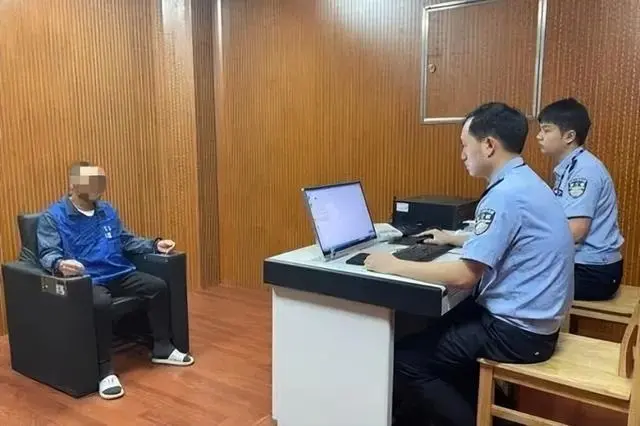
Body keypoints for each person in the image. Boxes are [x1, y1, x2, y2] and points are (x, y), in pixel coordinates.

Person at [364, 102, 574, 425]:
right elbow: (506, 237)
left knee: (406, 361)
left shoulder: (504, 195)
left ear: (488, 145)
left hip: (516, 333)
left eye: (465, 145)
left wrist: (393, 265)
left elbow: (464, 276)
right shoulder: (525, 182)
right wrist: (454, 238)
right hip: (536, 324)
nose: (462, 155)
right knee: (434, 327)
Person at [37, 161, 194, 400]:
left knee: (157, 287)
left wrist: (154, 244)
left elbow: (125, 240)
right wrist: (59, 264)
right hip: (87, 280)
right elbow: (48, 253)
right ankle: (104, 369)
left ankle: (162, 347)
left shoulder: (107, 210)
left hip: (117, 272)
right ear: (73, 185)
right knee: (100, 303)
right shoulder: (53, 217)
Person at [537, 98, 624, 300]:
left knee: (517, 282)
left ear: (569, 136)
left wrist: (529, 245)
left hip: (593, 272)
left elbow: (576, 230)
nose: (539, 136)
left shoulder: (583, 171)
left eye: (546, 130)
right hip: (585, 266)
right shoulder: (572, 166)